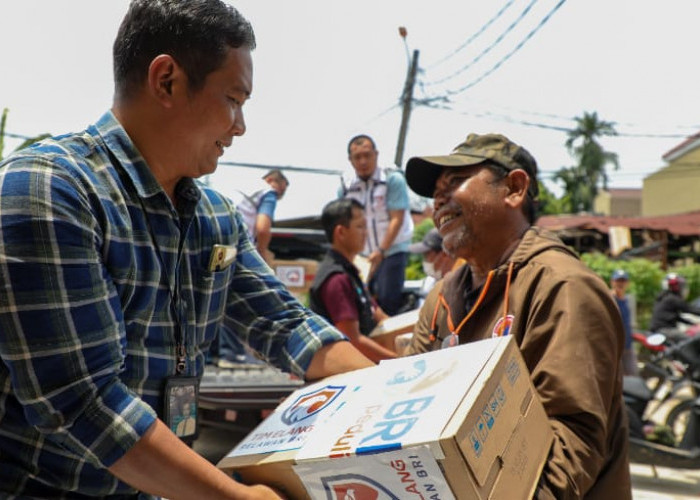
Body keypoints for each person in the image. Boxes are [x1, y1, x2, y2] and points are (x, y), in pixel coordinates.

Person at [0, 1, 373, 499]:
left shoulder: (214, 218)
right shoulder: (49, 190)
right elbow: (84, 400)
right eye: (234, 99)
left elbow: (285, 325)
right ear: (167, 80)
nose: (240, 126)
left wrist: (398, 396)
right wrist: (235, 496)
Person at [403, 132, 630, 498]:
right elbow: (407, 406)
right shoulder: (442, 297)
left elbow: (572, 448)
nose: (437, 199)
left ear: (514, 188)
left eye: (456, 182)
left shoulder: (562, 287)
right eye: (434, 192)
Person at [309, 199, 397, 362]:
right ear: (341, 232)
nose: (366, 233)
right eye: (360, 226)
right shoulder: (336, 279)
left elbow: (378, 315)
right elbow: (352, 340)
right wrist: (398, 360)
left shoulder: (351, 272)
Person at [340, 134, 414, 315]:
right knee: (362, 304)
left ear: (376, 154)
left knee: (387, 300)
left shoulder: (392, 179)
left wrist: (381, 251)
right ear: (350, 160)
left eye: (367, 155)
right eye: (357, 157)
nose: (363, 161)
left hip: (391, 251)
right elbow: (344, 224)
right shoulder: (346, 188)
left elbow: (397, 218)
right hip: (363, 257)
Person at [236, 168, 289, 263]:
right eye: (281, 189)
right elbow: (263, 229)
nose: (279, 194)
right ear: (269, 180)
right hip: (239, 244)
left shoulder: (242, 186)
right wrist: (262, 252)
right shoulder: (268, 192)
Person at [408, 227, 463, 303]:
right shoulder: (431, 282)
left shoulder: (461, 283)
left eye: (427, 256)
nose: (425, 261)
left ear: (444, 255)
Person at [649, 272, 700, 340]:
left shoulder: (665, 297)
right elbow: (690, 309)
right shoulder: (672, 299)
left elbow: (676, 317)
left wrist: (692, 324)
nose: (682, 288)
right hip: (665, 330)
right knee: (692, 341)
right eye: (680, 285)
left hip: (660, 329)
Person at [611, 269, 639, 375]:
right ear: (612, 282)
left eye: (623, 281)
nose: (620, 284)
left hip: (627, 345)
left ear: (627, 283)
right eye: (618, 281)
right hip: (614, 346)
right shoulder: (610, 298)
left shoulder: (628, 300)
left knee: (632, 375)